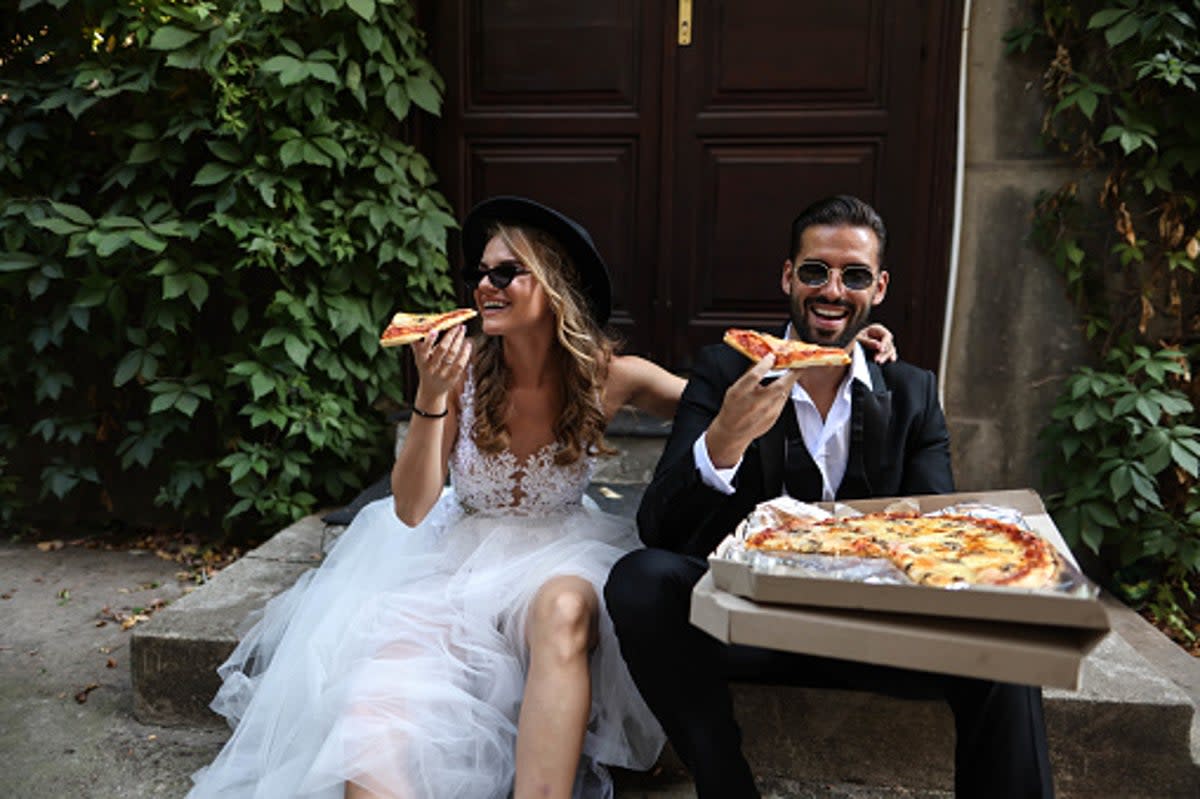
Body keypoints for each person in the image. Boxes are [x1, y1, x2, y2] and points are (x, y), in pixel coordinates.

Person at [187, 195, 896, 799]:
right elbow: (410, 507)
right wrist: (430, 398)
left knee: (564, 608)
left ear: (550, 283)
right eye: (480, 273)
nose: (484, 286)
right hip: (454, 554)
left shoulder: (611, 374)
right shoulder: (455, 370)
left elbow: (734, 405)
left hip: (563, 552)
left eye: (505, 272)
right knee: (383, 683)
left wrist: (843, 350)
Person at [604, 195, 1054, 798]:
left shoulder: (913, 392)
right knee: (639, 579)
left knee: (1012, 647)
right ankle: (727, 788)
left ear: (880, 287)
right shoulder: (725, 371)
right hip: (750, 625)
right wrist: (726, 439)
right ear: (788, 276)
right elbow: (659, 527)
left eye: (855, 275)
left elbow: (937, 534)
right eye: (815, 270)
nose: (833, 290)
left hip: (874, 636)